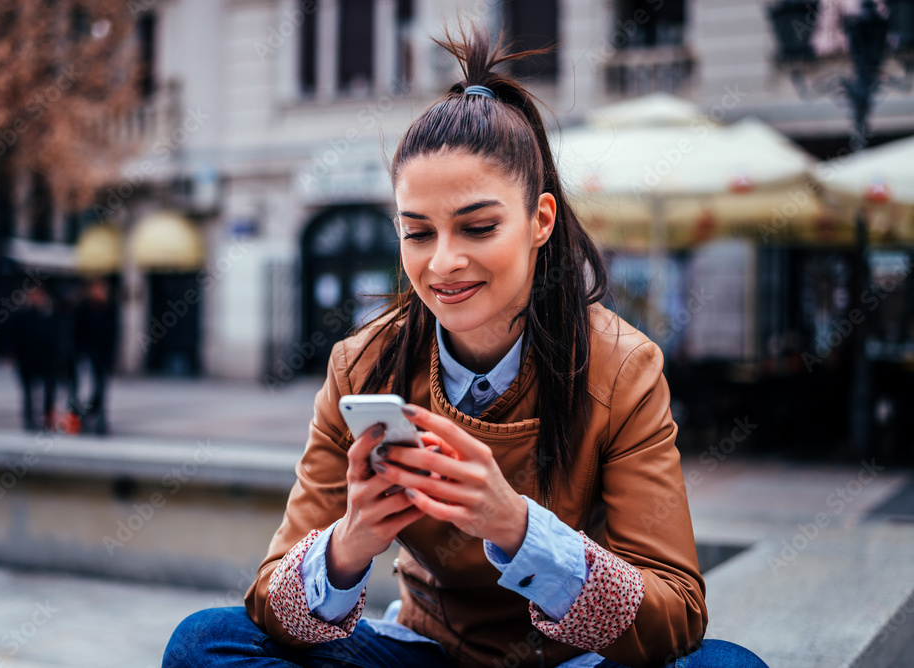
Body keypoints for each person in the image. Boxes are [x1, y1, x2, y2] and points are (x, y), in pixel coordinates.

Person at [164, 28, 768, 668]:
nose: (443, 263)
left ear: (541, 220)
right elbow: (268, 600)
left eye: (478, 227)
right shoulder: (362, 364)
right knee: (205, 642)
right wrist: (349, 543)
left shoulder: (624, 367)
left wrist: (519, 528)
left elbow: (676, 617)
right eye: (416, 233)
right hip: (426, 652)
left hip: (573, 661)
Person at [73, 278, 118, 435]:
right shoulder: (83, 308)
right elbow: (76, 332)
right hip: (87, 355)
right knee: (87, 388)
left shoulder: (110, 308)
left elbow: (114, 333)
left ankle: (96, 418)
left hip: (104, 356)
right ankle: (89, 418)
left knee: (101, 390)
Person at [11, 283, 59, 431]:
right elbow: (14, 335)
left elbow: (57, 335)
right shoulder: (23, 313)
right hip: (27, 358)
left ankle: (47, 417)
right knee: (28, 391)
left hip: (47, 359)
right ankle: (29, 418)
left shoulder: (50, 312)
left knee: (49, 389)